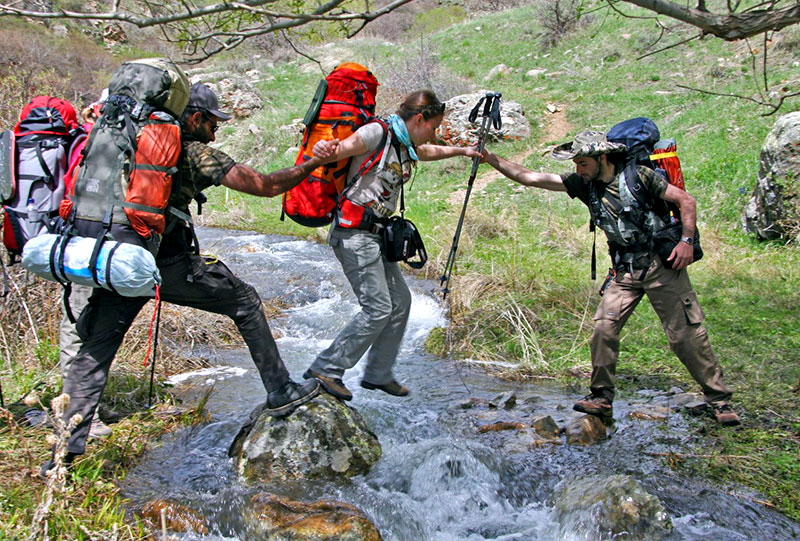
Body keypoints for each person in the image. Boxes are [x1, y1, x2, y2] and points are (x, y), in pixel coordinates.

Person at [41, 83, 329, 476]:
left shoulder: (130, 141)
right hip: (167, 265)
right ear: (195, 118)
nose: (217, 130)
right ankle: (281, 390)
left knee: (94, 349)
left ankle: (63, 456)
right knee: (244, 300)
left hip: (116, 259)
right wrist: (312, 163)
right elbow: (266, 185)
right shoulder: (192, 151)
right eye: (213, 122)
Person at [481, 131, 740, 426]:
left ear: (602, 158)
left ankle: (719, 400)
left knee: (685, 335)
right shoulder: (583, 184)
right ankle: (601, 398)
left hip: (661, 266)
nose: (578, 170)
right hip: (624, 271)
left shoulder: (639, 176)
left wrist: (687, 241)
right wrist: (491, 158)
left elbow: (685, 200)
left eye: (583, 163)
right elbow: (530, 177)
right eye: (576, 164)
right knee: (603, 329)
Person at [303, 90, 481, 401]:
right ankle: (327, 368)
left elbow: (424, 151)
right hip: (353, 233)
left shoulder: (403, 142)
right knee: (377, 309)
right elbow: (344, 148)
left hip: (376, 235)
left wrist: (462, 152)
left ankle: (378, 373)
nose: (433, 134)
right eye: (433, 127)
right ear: (419, 119)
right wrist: (324, 148)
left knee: (400, 302)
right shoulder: (378, 132)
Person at [58, 90, 110, 438]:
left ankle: (86, 406)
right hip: (85, 243)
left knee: (88, 319)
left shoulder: (98, 137)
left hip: (90, 242)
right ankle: (73, 415)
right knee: (78, 320)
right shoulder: (95, 141)